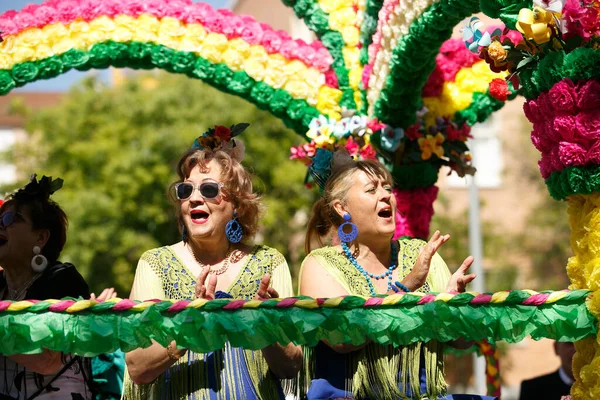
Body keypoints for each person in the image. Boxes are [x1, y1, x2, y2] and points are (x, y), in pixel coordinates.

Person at [123, 124, 302, 399]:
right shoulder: (155, 263)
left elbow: (291, 366)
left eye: (208, 189)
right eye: (185, 190)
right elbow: (137, 367)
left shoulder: (269, 262)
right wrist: (190, 328)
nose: (194, 198)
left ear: (237, 205)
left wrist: (266, 328)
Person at [299, 150, 484, 400]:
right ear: (342, 207)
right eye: (372, 190)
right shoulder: (319, 264)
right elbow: (342, 338)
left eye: (387, 188)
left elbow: (463, 342)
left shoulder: (421, 252)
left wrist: (454, 307)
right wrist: (406, 286)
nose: (386, 195)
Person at [0, 175, 116, 399]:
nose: (0, 223)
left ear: (41, 237)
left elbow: (47, 358)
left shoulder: (62, 280)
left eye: (10, 218)